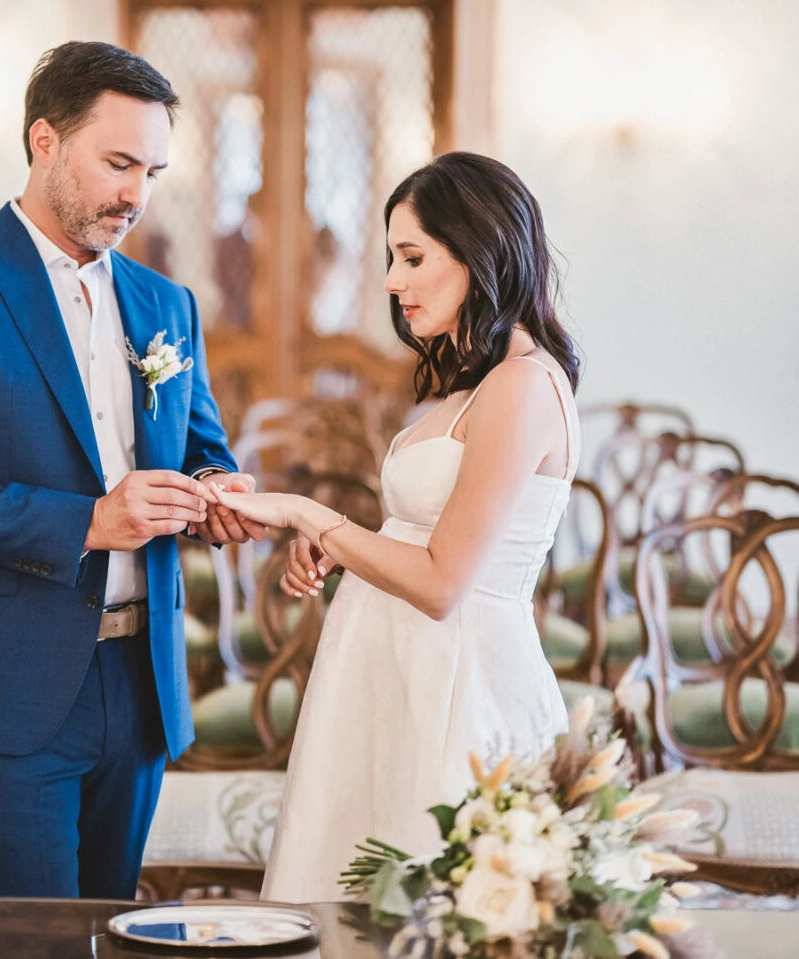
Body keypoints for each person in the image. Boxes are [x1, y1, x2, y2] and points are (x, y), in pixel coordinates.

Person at [0, 42, 261, 899]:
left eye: (152, 171)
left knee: (112, 941)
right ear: (44, 140)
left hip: (139, 681)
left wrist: (219, 491)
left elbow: (203, 449)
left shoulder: (166, 302)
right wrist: (88, 521)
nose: (136, 194)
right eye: (118, 163)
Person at [213, 152, 581, 903]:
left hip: (459, 683)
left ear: (479, 250)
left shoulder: (522, 386)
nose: (390, 280)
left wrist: (306, 513)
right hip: (391, 670)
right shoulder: (473, 384)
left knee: (426, 915)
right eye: (391, 258)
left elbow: (444, 584)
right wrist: (341, 551)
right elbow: (420, 538)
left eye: (412, 257)